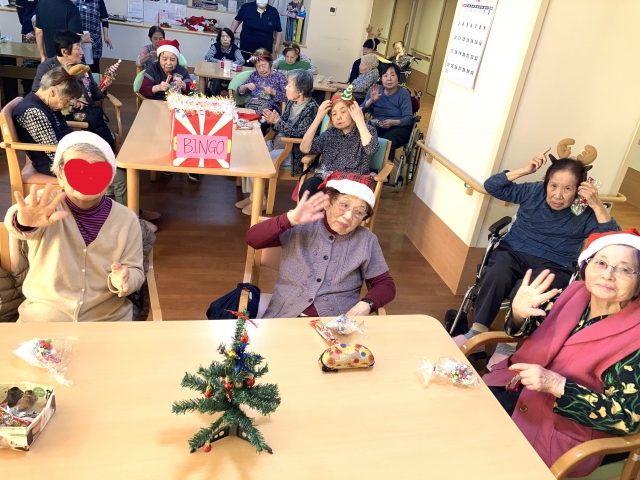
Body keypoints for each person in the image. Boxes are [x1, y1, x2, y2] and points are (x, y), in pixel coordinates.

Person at [483, 229, 640, 478]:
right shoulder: (574, 293)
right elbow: (532, 326)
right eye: (601, 263)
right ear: (585, 267)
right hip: (513, 389)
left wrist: (558, 385)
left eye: (624, 269)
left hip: (560, 430)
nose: (608, 275)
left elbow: (627, 418)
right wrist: (518, 314)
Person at [453, 150, 621, 367]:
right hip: (514, 251)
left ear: (579, 189)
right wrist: (524, 170)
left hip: (555, 263)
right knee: (496, 271)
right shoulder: (533, 192)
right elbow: (492, 186)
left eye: (567, 188)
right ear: (546, 183)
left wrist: (597, 204)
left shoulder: (586, 211)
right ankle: (477, 332)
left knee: (529, 290)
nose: (558, 195)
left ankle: (508, 345)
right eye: (553, 186)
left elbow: (614, 239)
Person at [3, 131, 145, 322]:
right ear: (59, 175)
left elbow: (136, 270)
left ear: (110, 177)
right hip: (44, 318)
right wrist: (23, 221)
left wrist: (126, 278)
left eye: (98, 170)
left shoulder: (126, 219)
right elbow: (19, 221)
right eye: (76, 170)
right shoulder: (46, 205)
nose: (87, 177)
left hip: (107, 319)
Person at [246, 171, 396, 318]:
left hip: (337, 324)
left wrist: (366, 304)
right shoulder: (300, 224)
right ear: (327, 202)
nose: (348, 216)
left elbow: (386, 284)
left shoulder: (366, 240)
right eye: (344, 205)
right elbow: (253, 239)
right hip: (285, 316)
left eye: (359, 212)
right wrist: (289, 219)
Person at [236, 69, 319, 215]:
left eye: (289, 84)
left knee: (257, 162)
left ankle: (260, 201)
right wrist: (271, 120)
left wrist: (277, 121)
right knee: (248, 154)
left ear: (300, 91)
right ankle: (254, 196)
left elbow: (301, 135)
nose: (285, 87)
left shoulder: (311, 108)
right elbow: (281, 124)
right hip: (280, 144)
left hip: (294, 153)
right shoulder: (292, 102)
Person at [32, 30, 115, 152]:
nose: (82, 52)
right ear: (64, 52)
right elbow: (37, 94)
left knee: (107, 142)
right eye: (78, 48)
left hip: (90, 113)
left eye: (81, 47)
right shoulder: (47, 68)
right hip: (66, 117)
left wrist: (103, 87)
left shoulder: (82, 68)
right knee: (93, 144)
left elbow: (93, 94)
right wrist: (70, 101)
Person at [299, 87, 379, 198]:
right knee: (309, 188)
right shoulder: (330, 133)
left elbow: (371, 149)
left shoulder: (367, 130)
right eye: (334, 114)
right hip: (326, 178)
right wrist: (318, 118)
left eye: (343, 111)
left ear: (353, 111)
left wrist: (359, 120)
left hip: (352, 182)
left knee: (339, 198)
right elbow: (304, 148)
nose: (338, 117)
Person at [13, 66, 81, 176]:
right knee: (103, 171)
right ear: (52, 92)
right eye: (67, 100)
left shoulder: (45, 104)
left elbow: (63, 129)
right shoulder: (33, 112)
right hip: (53, 164)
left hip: (67, 153)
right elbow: (53, 153)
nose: (67, 105)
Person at [362, 63, 413, 162]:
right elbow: (360, 110)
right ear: (381, 78)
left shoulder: (403, 94)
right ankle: (368, 168)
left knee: (388, 139)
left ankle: (385, 169)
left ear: (398, 77)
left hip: (399, 127)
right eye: (385, 75)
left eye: (393, 75)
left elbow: (408, 118)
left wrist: (393, 122)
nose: (389, 79)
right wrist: (371, 100)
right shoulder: (375, 90)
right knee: (367, 134)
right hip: (378, 124)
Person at [237, 49, 287, 115]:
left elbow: (287, 97)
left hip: (270, 108)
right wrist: (245, 86)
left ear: (270, 63)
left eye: (264, 65)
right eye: (258, 67)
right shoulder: (254, 75)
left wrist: (273, 92)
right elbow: (239, 92)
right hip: (252, 105)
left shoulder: (279, 76)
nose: (262, 69)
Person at [231, 0, 282, 65]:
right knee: (245, 67)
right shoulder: (246, 7)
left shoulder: (273, 11)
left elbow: (278, 30)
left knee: (262, 67)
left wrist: (277, 43)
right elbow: (237, 21)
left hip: (264, 50)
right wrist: (230, 34)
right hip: (246, 49)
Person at [204, 28, 245, 96]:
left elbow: (241, 60)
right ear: (220, 39)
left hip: (230, 72)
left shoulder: (235, 48)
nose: (225, 39)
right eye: (223, 36)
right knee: (216, 78)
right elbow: (207, 57)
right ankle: (215, 97)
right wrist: (219, 62)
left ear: (231, 39)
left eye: (228, 37)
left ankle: (232, 97)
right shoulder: (216, 46)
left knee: (233, 79)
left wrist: (230, 64)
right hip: (217, 71)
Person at [76, 0, 112, 74]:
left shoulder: (99, 1)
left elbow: (105, 19)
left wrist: (106, 36)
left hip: (94, 40)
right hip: (78, 39)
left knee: (94, 69)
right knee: (78, 68)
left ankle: (93, 81)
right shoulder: (74, 1)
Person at [15, 0, 40, 93]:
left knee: (43, 63)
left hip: (46, 32)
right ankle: (27, 91)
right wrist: (28, 26)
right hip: (28, 31)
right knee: (29, 63)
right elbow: (20, 9)